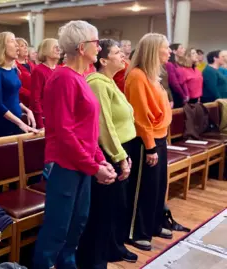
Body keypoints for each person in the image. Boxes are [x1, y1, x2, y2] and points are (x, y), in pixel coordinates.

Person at [32, 21, 117, 269]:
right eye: (96, 41)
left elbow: (88, 129)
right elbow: (64, 132)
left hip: (81, 164)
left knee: (76, 225)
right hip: (65, 165)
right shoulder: (62, 79)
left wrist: (100, 159)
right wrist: (94, 166)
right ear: (82, 47)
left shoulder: (82, 77)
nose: (99, 46)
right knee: (57, 230)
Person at [76, 39, 138, 269]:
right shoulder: (98, 83)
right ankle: (93, 261)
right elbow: (104, 125)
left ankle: (109, 250)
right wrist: (119, 155)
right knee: (102, 212)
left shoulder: (110, 82)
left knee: (114, 209)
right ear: (103, 60)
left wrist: (124, 153)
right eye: (117, 52)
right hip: (107, 152)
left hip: (119, 149)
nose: (123, 55)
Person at [124, 33, 173, 251]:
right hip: (145, 141)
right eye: (166, 47)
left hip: (159, 137)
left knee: (158, 186)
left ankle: (153, 224)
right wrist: (151, 146)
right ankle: (136, 231)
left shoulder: (153, 75)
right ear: (154, 50)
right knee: (142, 188)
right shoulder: (136, 76)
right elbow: (140, 116)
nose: (169, 51)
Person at [0, 32, 38, 138]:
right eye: (12, 41)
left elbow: (14, 98)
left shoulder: (13, 70)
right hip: (2, 124)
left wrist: (27, 110)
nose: (16, 45)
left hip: (16, 121)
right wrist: (20, 123)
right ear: (2, 47)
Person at [30, 38, 60, 130]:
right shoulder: (39, 70)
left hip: (59, 116)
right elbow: (35, 98)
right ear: (46, 50)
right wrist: (40, 123)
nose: (58, 50)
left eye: (59, 47)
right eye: (55, 47)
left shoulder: (60, 69)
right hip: (45, 117)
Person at [166, 43, 189, 107]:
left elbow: (183, 81)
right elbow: (174, 83)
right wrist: (183, 96)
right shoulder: (169, 64)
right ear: (174, 51)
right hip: (176, 94)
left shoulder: (178, 64)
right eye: (181, 48)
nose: (184, 50)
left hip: (182, 94)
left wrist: (187, 94)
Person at [15, 38, 36, 106]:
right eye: (22, 46)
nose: (25, 48)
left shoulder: (32, 64)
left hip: (34, 101)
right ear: (16, 49)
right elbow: (17, 87)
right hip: (22, 102)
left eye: (26, 46)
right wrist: (31, 95)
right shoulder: (14, 66)